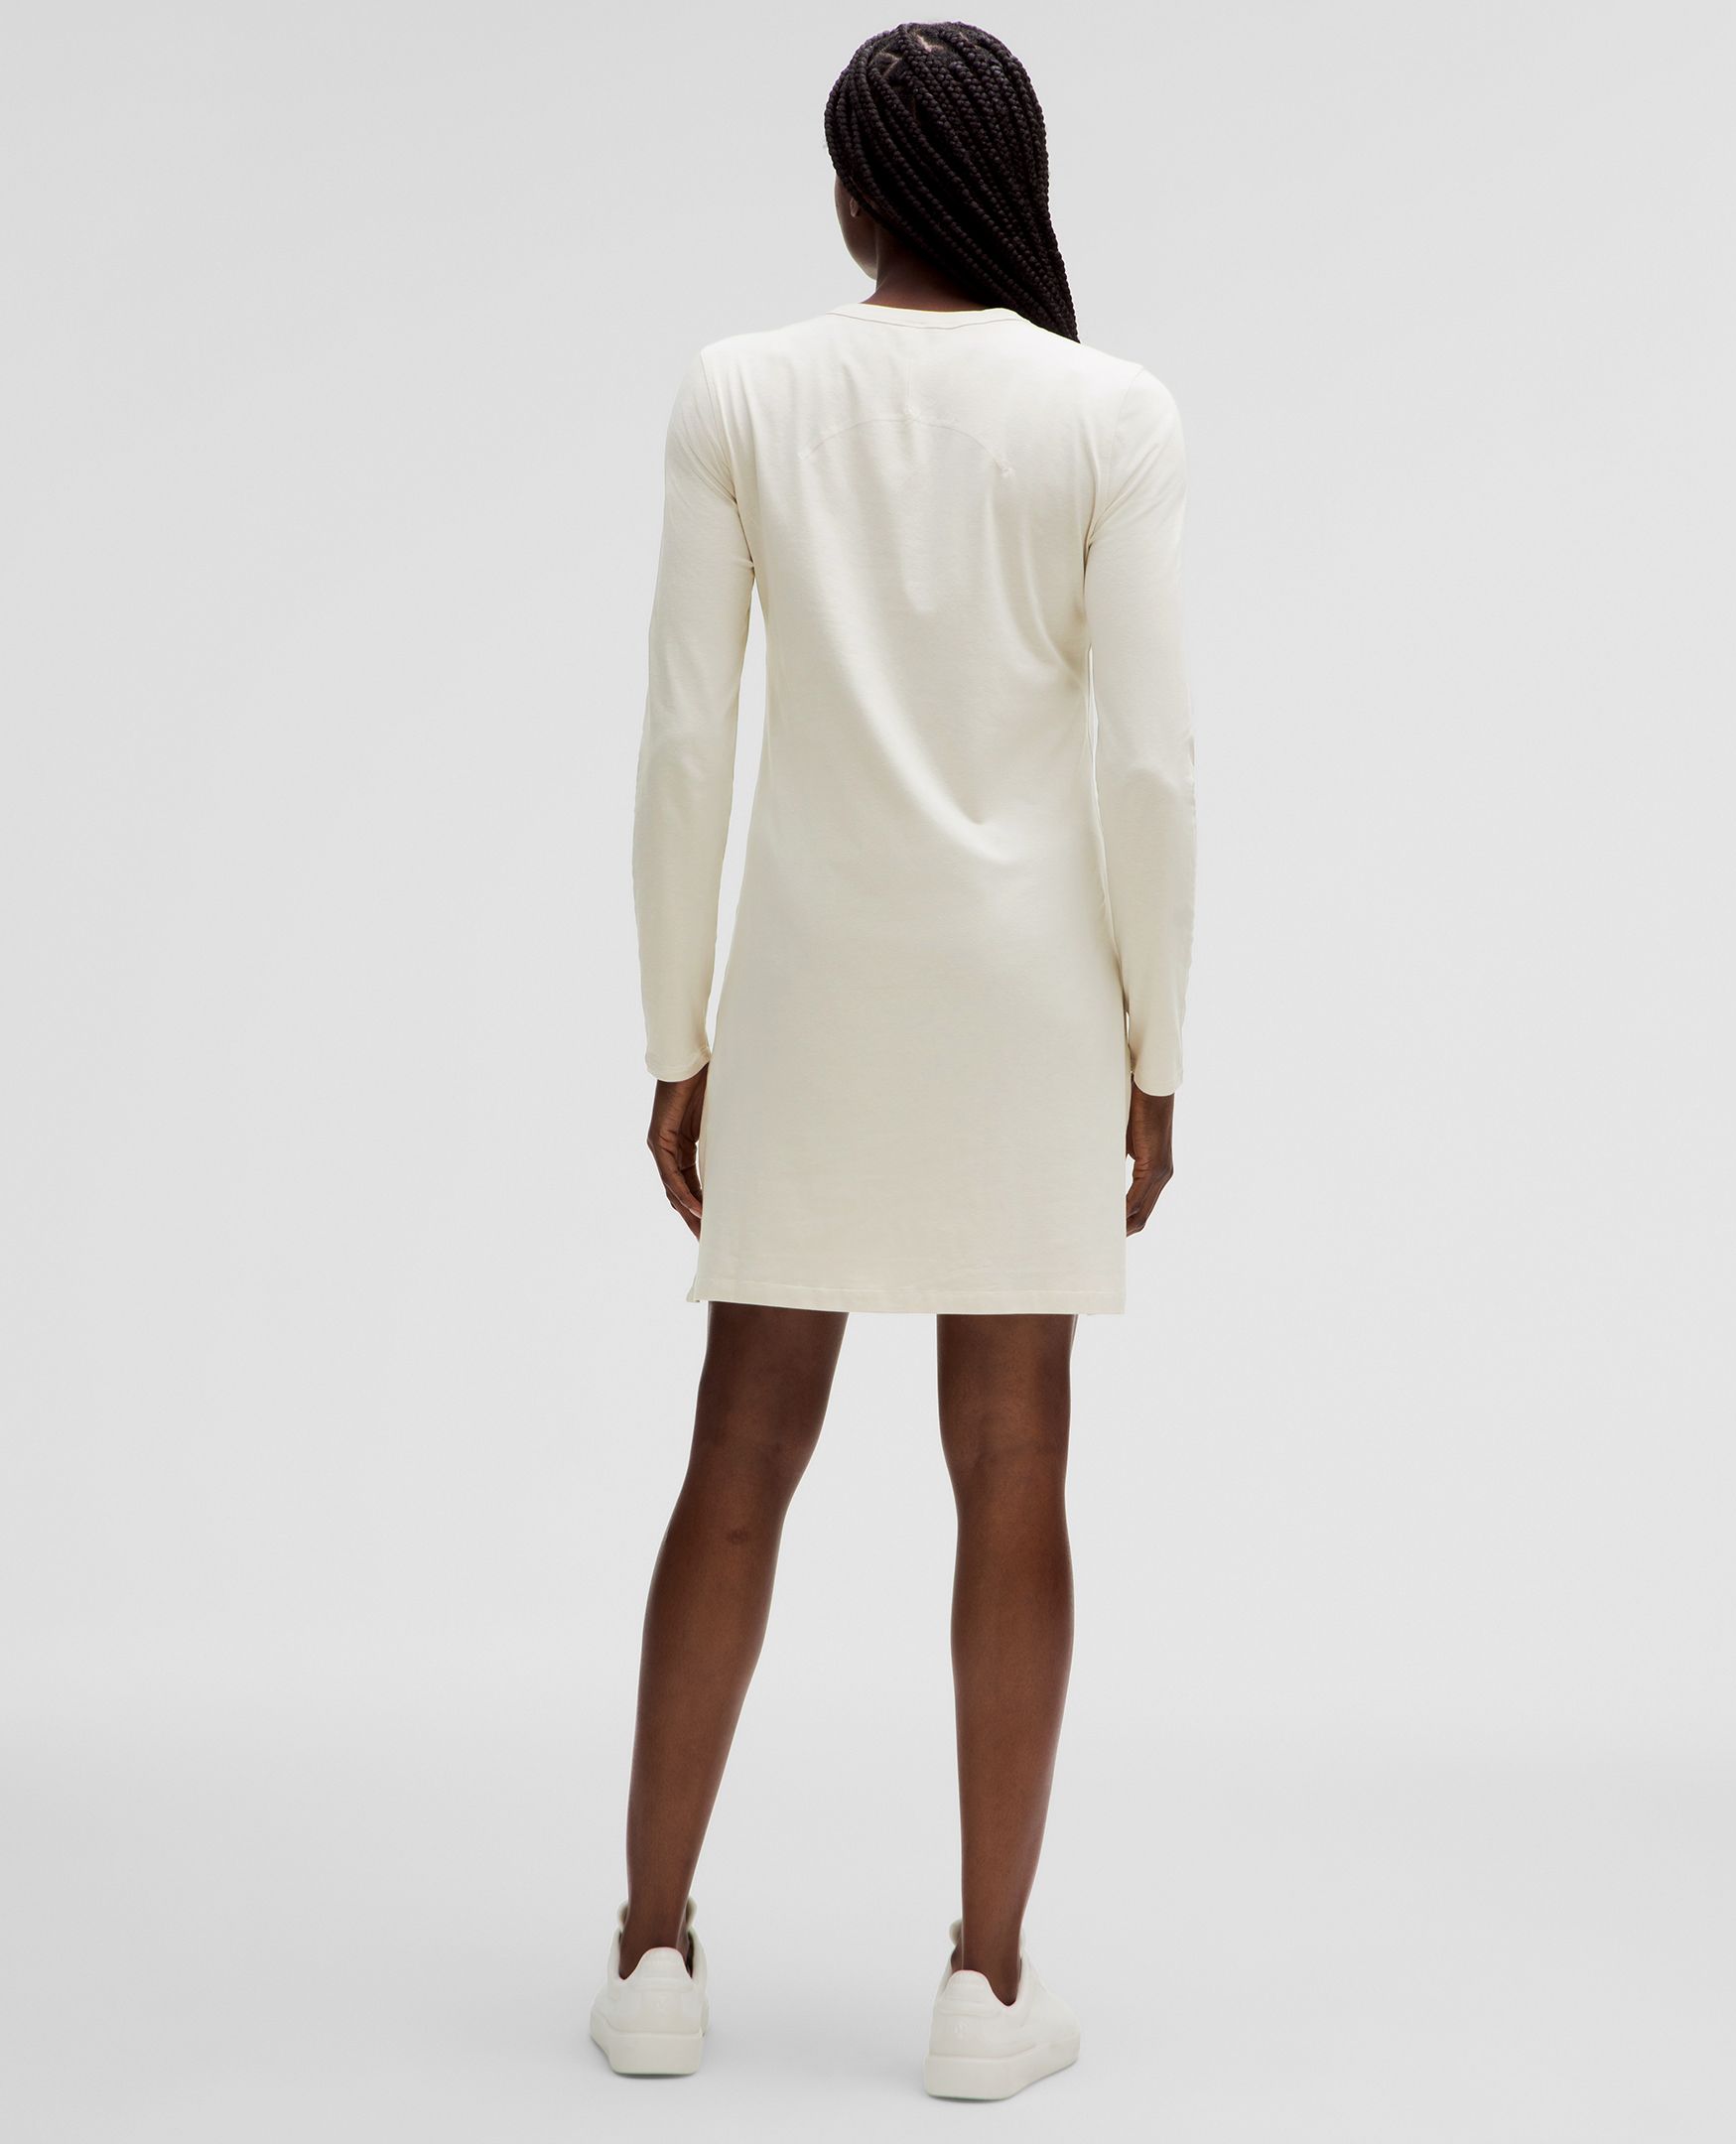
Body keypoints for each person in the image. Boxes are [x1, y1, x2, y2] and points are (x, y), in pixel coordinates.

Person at [590, 19, 1196, 2101]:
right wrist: (1158, 1045)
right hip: (1028, 1004)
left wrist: (676, 1033)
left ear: (854, 202)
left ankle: (651, 1955)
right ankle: (985, 1986)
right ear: (1015, 184)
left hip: (809, 992)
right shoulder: (1112, 414)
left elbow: (685, 739)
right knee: (1015, 1462)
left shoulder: (743, 392)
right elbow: (1152, 765)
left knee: (738, 1458)